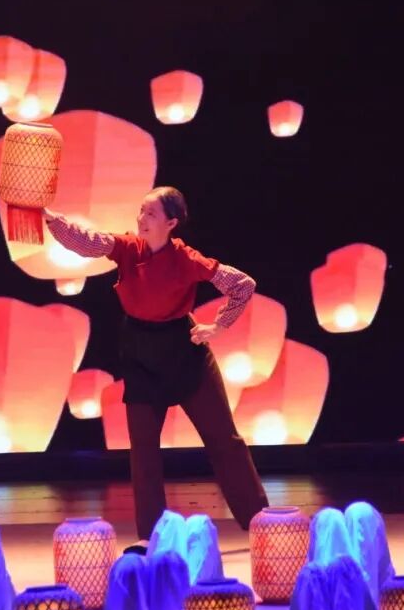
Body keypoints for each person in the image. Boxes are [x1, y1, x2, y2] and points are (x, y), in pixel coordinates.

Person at [43, 186, 269, 540]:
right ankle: (151, 537)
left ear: (171, 223)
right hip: (140, 354)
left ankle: (262, 523)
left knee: (225, 440)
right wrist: (50, 219)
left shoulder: (186, 259)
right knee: (144, 453)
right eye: (141, 211)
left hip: (185, 352)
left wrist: (218, 326)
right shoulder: (128, 248)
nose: (141, 219)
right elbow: (88, 242)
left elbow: (242, 284)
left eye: (151, 213)